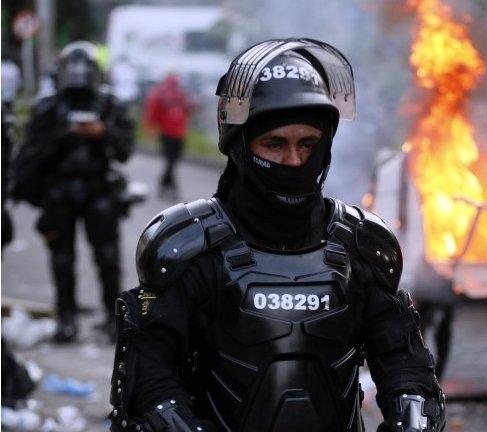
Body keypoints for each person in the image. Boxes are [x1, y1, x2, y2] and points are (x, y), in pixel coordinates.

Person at [109, 38, 445, 432]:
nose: (294, 160)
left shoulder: (359, 246)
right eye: (274, 144)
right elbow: (149, 378)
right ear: (239, 143)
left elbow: (405, 365)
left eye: (308, 144)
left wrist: (411, 415)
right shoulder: (188, 248)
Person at [12, 41, 134, 342]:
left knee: (108, 259)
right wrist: (64, 136)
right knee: (61, 260)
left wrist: (103, 132)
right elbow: (30, 155)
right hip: (59, 192)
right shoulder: (47, 107)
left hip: (99, 191)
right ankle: (66, 318)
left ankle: (112, 318)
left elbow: (124, 150)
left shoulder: (109, 105)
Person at [144, 74, 194, 200]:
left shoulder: (181, 94)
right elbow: (153, 112)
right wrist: (151, 127)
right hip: (168, 133)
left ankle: (166, 184)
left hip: (178, 133)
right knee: (171, 161)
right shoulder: (161, 94)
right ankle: (170, 186)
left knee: (172, 161)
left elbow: (189, 109)